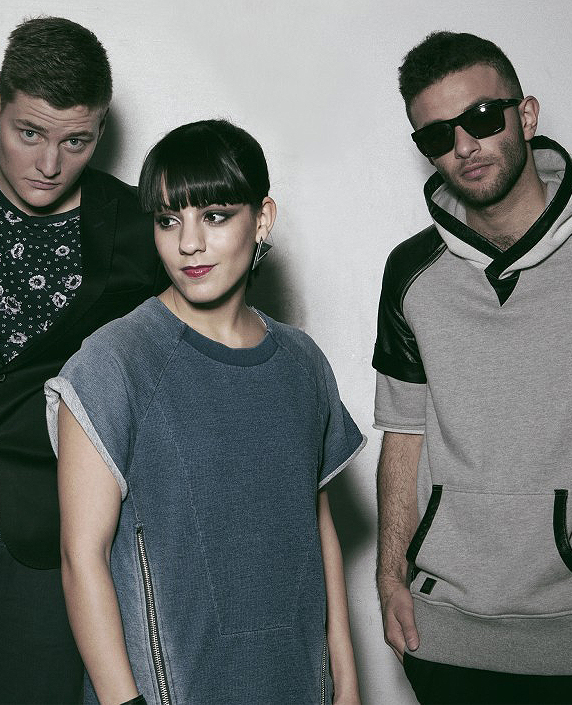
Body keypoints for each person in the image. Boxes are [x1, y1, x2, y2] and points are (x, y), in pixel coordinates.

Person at [45, 119, 365, 705]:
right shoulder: (113, 361)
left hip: (296, 685)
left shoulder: (302, 363)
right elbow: (80, 557)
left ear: (262, 219)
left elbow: (318, 530)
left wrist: (344, 683)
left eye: (214, 216)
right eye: (169, 220)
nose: (188, 243)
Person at [0, 16, 165, 703]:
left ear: (100, 130)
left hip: (46, 545)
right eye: (29, 133)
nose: (49, 164)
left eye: (75, 141)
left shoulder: (138, 229)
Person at [373, 30, 572, 704]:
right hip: (446, 635)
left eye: (482, 117)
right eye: (437, 135)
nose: (464, 145)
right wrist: (388, 577)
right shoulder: (410, 271)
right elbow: (403, 433)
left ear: (525, 115)